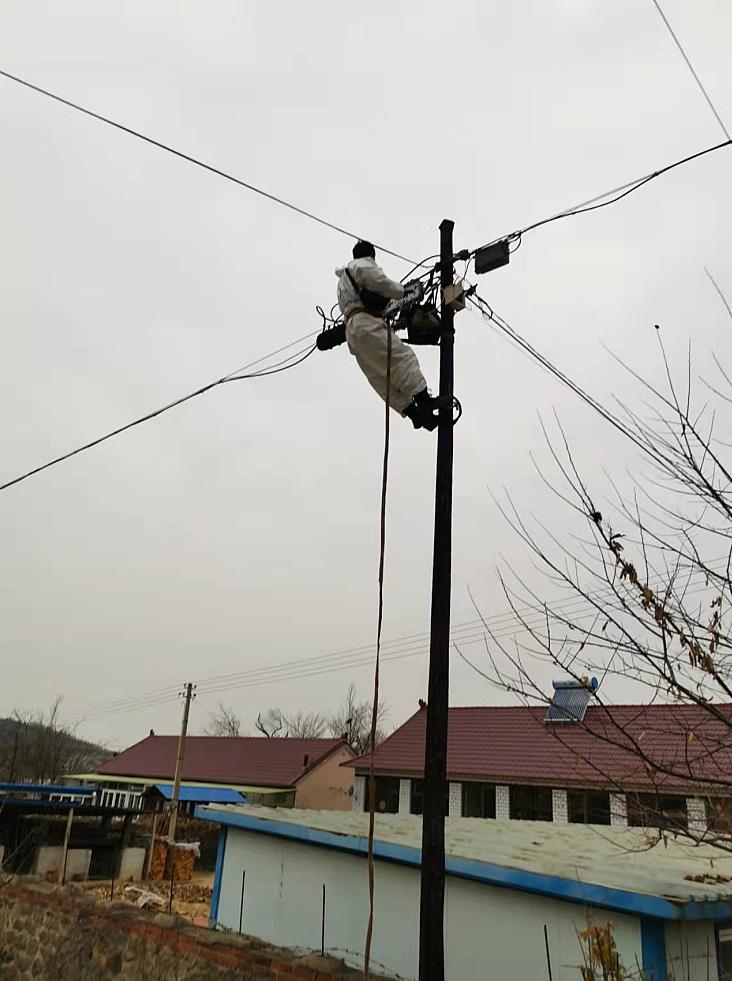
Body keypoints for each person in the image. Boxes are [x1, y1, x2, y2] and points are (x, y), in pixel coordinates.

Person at [335, 241, 443, 431]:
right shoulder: (362, 265)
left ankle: (413, 413)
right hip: (368, 324)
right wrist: (401, 292)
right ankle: (424, 402)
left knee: (379, 375)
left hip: (352, 332)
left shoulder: (342, 282)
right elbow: (383, 284)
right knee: (402, 358)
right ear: (371, 255)